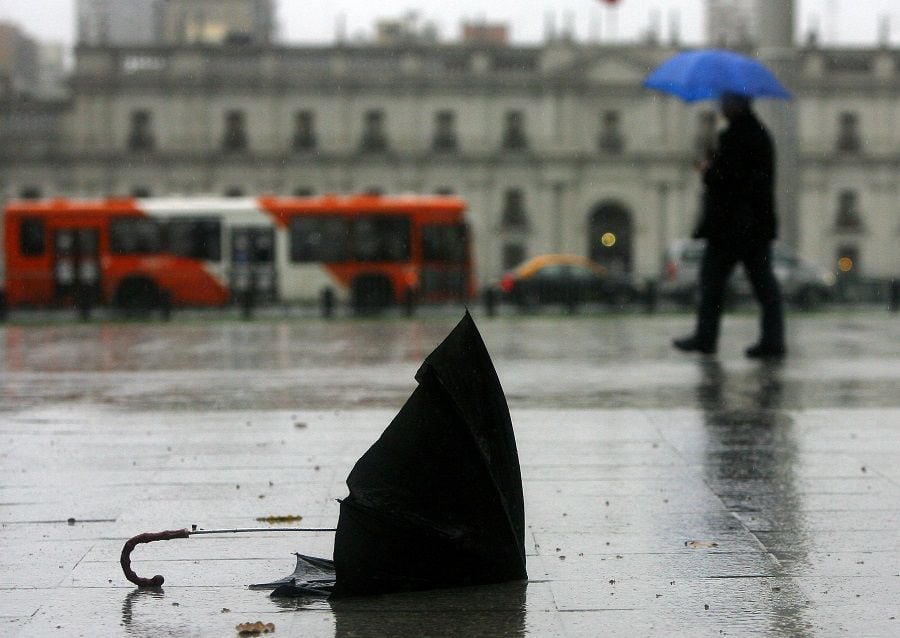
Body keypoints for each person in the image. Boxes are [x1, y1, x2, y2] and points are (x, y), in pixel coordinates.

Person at [673, 92, 786, 358]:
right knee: (763, 284)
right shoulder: (759, 133)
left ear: (737, 105)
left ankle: (706, 337)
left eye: (725, 103)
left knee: (712, 282)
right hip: (754, 223)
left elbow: (725, 179)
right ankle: (773, 340)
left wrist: (708, 168)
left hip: (731, 224)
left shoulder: (736, 136)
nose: (721, 107)